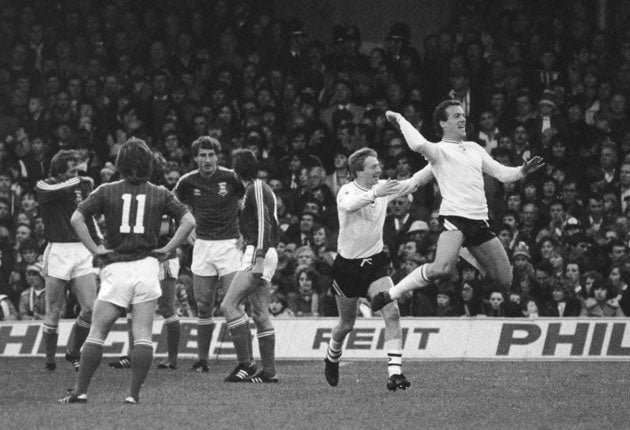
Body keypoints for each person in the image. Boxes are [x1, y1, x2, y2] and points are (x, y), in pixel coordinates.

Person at [58, 138, 195, 404]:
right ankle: (132, 395)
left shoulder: (107, 190)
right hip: (146, 266)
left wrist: (95, 249)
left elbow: (77, 218)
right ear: (148, 164)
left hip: (117, 267)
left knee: (98, 331)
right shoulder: (160, 192)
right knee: (143, 333)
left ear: (121, 163)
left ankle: (80, 391)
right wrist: (168, 247)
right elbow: (189, 220)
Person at [371, 102, 544, 312]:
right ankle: (390, 294)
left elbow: (501, 173)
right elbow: (417, 149)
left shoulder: (474, 149)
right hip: (456, 219)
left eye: (462, 115)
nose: (462, 119)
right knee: (441, 268)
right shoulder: (438, 151)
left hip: (479, 222)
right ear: (443, 123)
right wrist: (399, 119)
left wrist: (522, 171)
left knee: (505, 280)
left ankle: (464, 250)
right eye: (456, 116)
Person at [324, 147, 433, 392]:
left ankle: (395, 373)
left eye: (379, 166)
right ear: (359, 171)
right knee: (346, 324)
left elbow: (413, 184)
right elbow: (351, 205)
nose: (379, 170)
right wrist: (376, 192)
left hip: (374, 264)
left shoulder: (382, 187)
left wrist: (435, 162)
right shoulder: (347, 190)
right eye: (374, 167)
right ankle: (332, 357)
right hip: (347, 268)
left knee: (392, 312)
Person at [173, 136, 245, 372]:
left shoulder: (231, 177)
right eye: (202, 155)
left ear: (218, 156)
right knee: (204, 305)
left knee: (232, 303)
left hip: (229, 246)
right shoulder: (187, 182)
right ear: (195, 158)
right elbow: (173, 207)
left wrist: (247, 232)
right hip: (203, 246)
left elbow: (249, 202)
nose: (207, 159)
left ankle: (245, 361)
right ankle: (202, 360)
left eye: (211, 155)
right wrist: (185, 231)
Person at [35, 150, 100, 372]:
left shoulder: (81, 186)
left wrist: (98, 243)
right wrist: (79, 180)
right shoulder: (44, 186)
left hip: (81, 250)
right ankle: (49, 361)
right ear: (59, 171)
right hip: (58, 250)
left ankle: (73, 351)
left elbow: (88, 217)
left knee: (91, 308)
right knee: (54, 309)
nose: (77, 174)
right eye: (72, 170)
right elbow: (56, 189)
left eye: (77, 170)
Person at [220, 149, 280, 383]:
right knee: (260, 313)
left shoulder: (255, 188)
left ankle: (246, 363)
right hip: (260, 249)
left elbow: (265, 224)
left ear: (236, 172)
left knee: (229, 305)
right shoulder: (258, 188)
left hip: (259, 252)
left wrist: (260, 256)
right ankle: (269, 372)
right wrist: (246, 239)